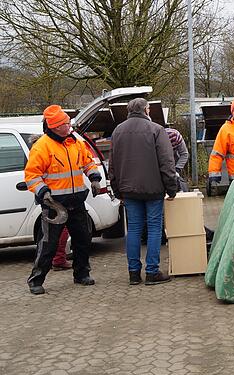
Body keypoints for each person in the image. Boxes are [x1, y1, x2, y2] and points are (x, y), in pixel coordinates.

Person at [24, 105, 103, 295]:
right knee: (48, 245)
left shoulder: (74, 142)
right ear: (54, 127)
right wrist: (43, 192)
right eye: (65, 124)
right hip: (54, 205)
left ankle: (81, 274)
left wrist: (94, 178)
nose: (69, 126)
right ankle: (36, 280)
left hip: (76, 202)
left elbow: (87, 162)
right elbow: (32, 175)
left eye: (68, 122)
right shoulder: (42, 147)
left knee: (82, 240)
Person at [109, 98, 178, 286]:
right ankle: (152, 272)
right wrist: (172, 188)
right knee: (154, 229)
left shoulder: (118, 131)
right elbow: (167, 162)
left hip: (129, 191)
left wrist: (117, 190)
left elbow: (112, 165)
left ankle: (133, 273)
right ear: (146, 110)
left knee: (134, 229)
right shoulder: (156, 130)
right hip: (153, 189)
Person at [165, 127, 189, 192]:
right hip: (161, 161)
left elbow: (184, 154)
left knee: (178, 182)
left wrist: (177, 169)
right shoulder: (155, 139)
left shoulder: (175, 136)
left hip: (175, 160)